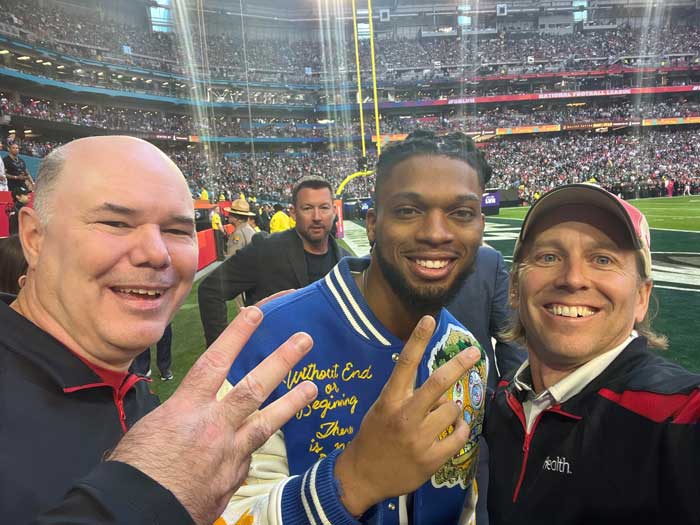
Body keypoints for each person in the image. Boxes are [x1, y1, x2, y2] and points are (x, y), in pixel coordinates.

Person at [0, 135, 317, 524]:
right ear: (34, 238)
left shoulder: (140, 402)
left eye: (177, 230)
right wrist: (145, 494)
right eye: (115, 222)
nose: (156, 253)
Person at [218, 130, 493, 525]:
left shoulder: (466, 355)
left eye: (462, 213)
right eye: (408, 210)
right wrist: (354, 481)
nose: (436, 232)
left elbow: (462, 504)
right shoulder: (270, 339)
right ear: (372, 224)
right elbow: (218, 513)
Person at [485, 183, 700, 525]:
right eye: (549, 257)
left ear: (641, 298)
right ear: (514, 288)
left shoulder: (677, 418)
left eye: (603, 259)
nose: (573, 278)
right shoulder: (506, 402)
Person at [198, 176, 350, 347]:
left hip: (330, 368)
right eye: (307, 208)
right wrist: (221, 353)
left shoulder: (347, 264)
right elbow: (210, 290)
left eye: (324, 208)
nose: (317, 217)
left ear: (334, 211)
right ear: (293, 213)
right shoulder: (265, 250)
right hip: (272, 369)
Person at [447, 244, 527, 525]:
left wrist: (510, 407)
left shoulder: (487, 261)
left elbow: (510, 338)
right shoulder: (374, 263)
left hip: (475, 425)